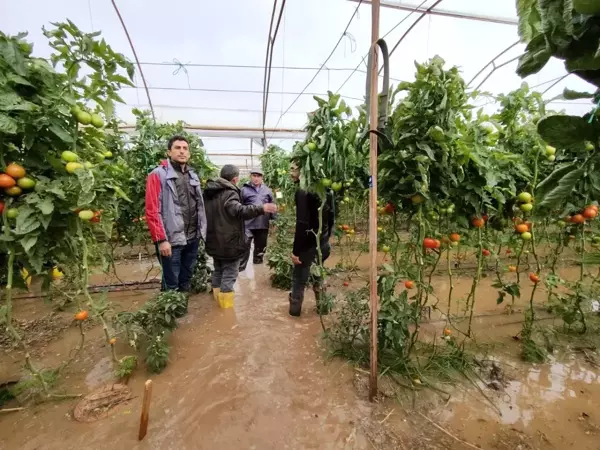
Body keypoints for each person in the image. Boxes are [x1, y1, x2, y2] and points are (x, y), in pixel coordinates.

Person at [204, 164, 277, 309]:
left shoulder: (209, 192)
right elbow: (238, 210)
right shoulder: (230, 192)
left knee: (218, 270)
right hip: (228, 240)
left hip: (214, 239)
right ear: (236, 179)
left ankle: (216, 306)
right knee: (230, 274)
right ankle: (225, 313)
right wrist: (262, 208)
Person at [145, 135, 207, 293]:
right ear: (169, 152)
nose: (182, 151)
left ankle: (183, 313)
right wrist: (161, 240)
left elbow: (199, 205)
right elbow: (152, 210)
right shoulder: (157, 175)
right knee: (171, 282)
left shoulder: (193, 176)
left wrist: (201, 233)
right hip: (171, 240)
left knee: (185, 279)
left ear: (189, 153)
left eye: (185, 148)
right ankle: (171, 314)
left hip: (192, 237)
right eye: (177, 148)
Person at [288, 160, 335, 317]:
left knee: (298, 280)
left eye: (294, 169)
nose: (290, 172)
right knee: (318, 275)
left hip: (307, 245)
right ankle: (323, 310)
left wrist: (295, 252)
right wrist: (326, 238)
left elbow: (301, 224)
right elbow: (332, 217)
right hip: (322, 243)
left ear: (304, 171)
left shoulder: (303, 191)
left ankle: (294, 314)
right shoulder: (326, 189)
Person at [239, 168, 275, 271]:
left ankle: (258, 269)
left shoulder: (267, 190)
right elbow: (239, 207)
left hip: (262, 224)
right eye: (254, 176)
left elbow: (272, 206)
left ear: (262, 177)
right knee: (244, 247)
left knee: (260, 249)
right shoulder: (243, 190)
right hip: (247, 224)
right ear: (250, 176)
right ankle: (241, 271)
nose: (256, 178)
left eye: (258, 176)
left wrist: (274, 220)